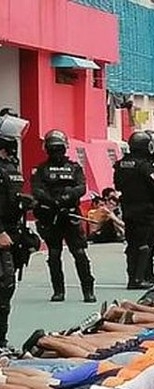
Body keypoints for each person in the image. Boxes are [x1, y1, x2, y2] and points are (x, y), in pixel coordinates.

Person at [30, 130, 95, 303]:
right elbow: (37, 190)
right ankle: (58, 291)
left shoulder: (74, 167)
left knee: (79, 253)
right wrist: (53, 201)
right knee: (54, 254)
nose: (56, 152)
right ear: (47, 149)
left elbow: (81, 187)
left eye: (59, 149)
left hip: (70, 213)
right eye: (53, 149)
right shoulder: (41, 169)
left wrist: (66, 196)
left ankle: (88, 290)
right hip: (50, 215)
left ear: (65, 148)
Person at [113, 130, 154, 290]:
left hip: (129, 208)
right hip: (146, 209)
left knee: (135, 244)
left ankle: (145, 274)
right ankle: (138, 278)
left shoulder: (122, 164)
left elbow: (118, 185)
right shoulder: (145, 166)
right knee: (144, 244)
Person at [0, 113, 25, 349]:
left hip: (12, 231)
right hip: (2, 234)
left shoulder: (10, 166)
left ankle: (2, 340)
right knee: (4, 285)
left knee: (7, 287)